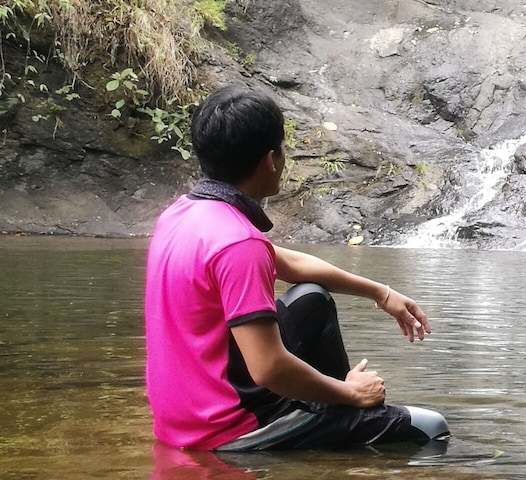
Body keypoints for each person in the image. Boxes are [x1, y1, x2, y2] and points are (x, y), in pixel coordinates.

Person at [145, 86, 450, 451]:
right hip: (229, 429)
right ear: (271, 160)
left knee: (311, 299)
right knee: (432, 428)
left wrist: (381, 292)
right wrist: (349, 393)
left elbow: (290, 264)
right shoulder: (239, 244)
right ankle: (342, 416)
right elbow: (269, 368)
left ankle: (333, 418)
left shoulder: (182, 215)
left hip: (181, 419)